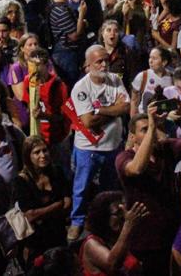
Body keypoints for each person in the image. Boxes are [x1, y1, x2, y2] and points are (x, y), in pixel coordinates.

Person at [117, 101, 181, 273]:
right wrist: (151, 126)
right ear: (132, 137)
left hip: (172, 232)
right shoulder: (123, 157)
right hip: (144, 239)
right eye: (145, 129)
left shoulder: (166, 148)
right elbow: (137, 168)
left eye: (155, 127)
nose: (154, 131)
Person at [69, 45, 129, 241]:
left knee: (109, 188)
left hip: (113, 146)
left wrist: (101, 110)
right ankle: (77, 222)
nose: (104, 65)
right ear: (88, 65)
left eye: (106, 61)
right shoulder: (81, 88)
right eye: (99, 61)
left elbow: (126, 107)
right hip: (88, 148)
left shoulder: (115, 80)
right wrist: (114, 109)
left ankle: (105, 223)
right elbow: (88, 122)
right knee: (81, 187)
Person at [11, 135, 71, 267]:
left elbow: (67, 203)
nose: (43, 155)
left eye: (45, 150)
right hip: (35, 241)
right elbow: (30, 215)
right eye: (36, 152)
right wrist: (57, 205)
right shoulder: (21, 181)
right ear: (28, 156)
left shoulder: (57, 172)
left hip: (58, 235)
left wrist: (43, 213)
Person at [79, 191, 148, 276]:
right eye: (118, 213)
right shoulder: (91, 243)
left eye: (124, 212)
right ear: (103, 216)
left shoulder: (122, 239)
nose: (124, 217)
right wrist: (128, 225)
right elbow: (112, 264)